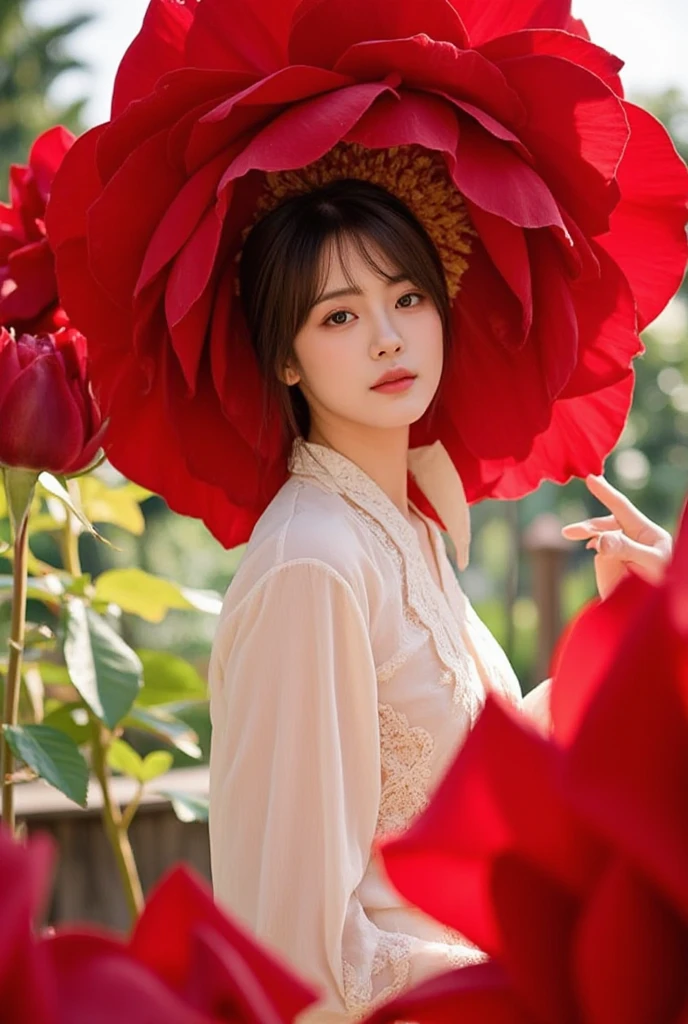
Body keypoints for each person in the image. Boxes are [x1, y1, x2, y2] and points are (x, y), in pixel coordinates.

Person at [207, 178, 672, 1022]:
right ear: (285, 356)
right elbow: (292, 945)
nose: (388, 338)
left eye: (408, 297)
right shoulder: (311, 565)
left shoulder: (409, 526)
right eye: (338, 317)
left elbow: (471, 777)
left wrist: (634, 631)